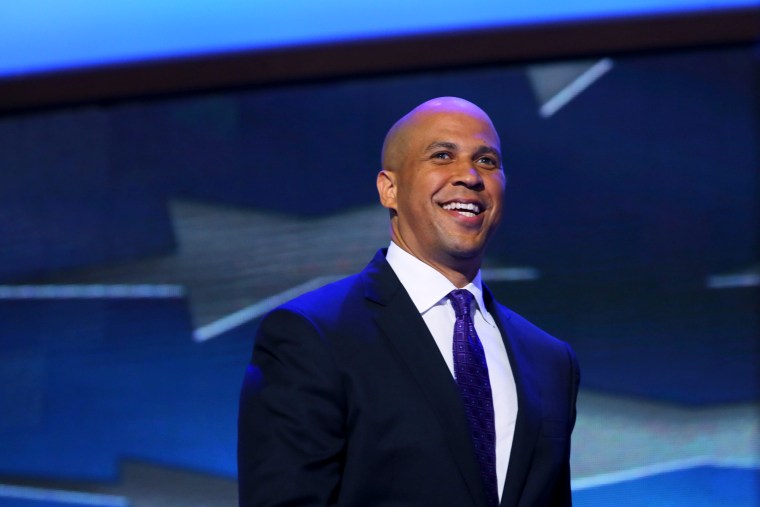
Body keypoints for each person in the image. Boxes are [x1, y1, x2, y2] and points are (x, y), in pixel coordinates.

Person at [238, 97, 580, 507]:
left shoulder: (550, 361)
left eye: (486, 161)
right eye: (441, 155)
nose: (469, 176)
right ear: (390, 189)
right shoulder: (313, 337)